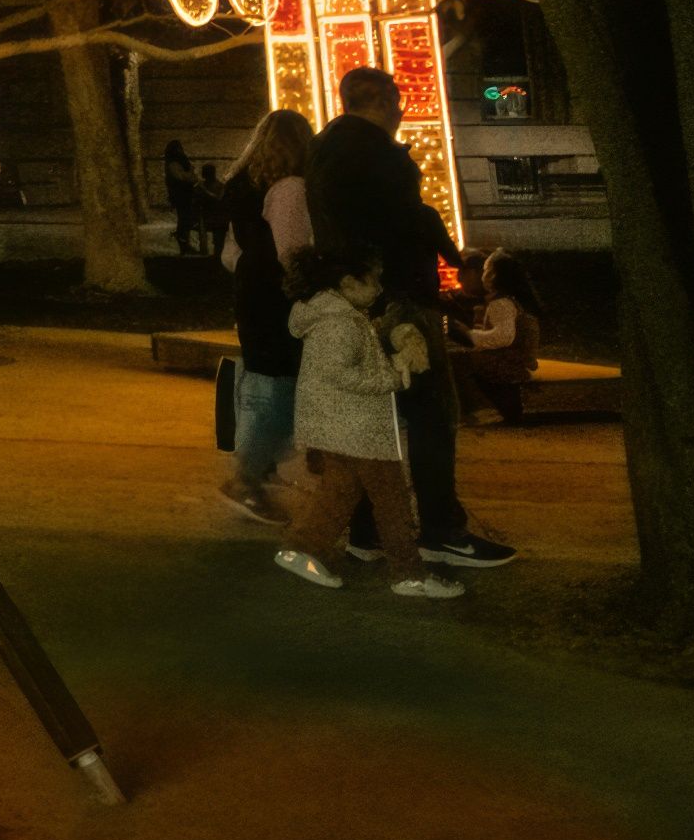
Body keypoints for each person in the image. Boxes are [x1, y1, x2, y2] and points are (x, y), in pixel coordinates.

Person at [306, 67, 520, 571]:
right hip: (401, 297)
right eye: (398, 105)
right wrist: (442, 246)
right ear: (385, 101)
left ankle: (367, 529)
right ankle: (442, 529)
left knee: (374, 420)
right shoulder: (381, 156)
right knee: (431, 417)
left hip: (354, 296)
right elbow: (407, 223)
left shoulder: (322, 151)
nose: (402, 115)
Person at [273, 245, 463, 598]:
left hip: (344, 428)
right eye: (372, 281)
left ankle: (301, 550)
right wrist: (395, 375)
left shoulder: (341, 317)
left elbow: (349, 366)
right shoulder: (340, 324)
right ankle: (410, 575)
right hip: (356, 428)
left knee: (339, 494)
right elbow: (344, 375)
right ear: (348, 283)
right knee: (391, 501)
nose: (379, 288)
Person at [215, 107, 316, 525]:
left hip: (251, 294)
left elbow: (228, 254)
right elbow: (292, 253)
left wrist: (250, 275)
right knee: (281, 389)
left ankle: (259, 469)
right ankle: (248, 479)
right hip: (280, 299)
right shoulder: (291, 188)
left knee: (263, 383)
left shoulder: (243, 186)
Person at [452, 248, 544, 426]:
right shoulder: (504, 301)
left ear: (494, 276)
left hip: (506, 361)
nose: (483, 276)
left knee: (460, 361)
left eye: (486, 271)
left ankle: (481, 410)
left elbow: (503, 337)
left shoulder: (501, 303)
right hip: (509, 359)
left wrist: (470, 335)